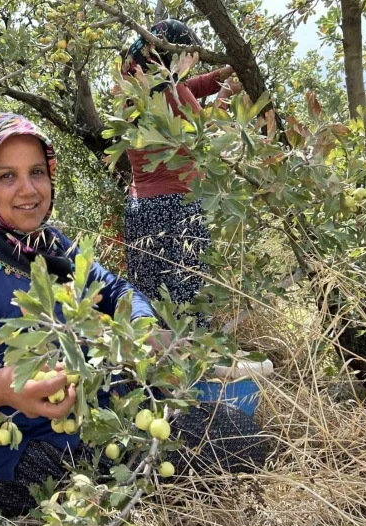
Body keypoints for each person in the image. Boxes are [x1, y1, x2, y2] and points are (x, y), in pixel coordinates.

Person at [0, 113, 267, 517]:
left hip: (94, 424)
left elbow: (118, 289)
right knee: (234, 449)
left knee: (241, 437)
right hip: (21, 460)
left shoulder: (52, 247)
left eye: (37, 171)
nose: (28, 189)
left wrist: (139, 327)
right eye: (6, 176)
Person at [121, 19, 243, 328]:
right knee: (186, 306)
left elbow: (189, 86)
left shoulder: (139, 85)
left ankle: (153, 371)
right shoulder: (171, 91)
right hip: (176, 211)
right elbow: (207, 139)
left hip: (141, 211)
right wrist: (227, 92)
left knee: (151, 303)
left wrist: (220, 76)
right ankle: (188, 368)